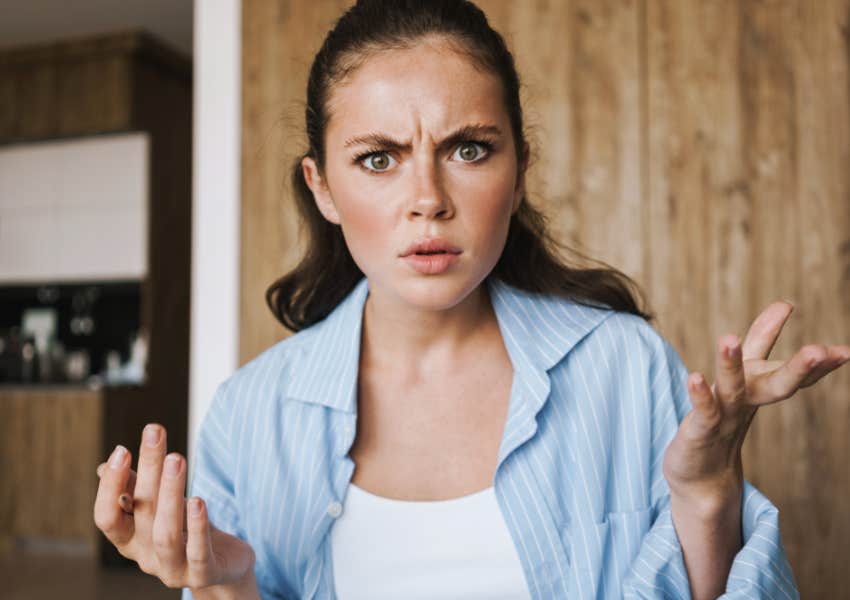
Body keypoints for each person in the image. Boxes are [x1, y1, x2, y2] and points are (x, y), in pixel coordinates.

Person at [93, 1, 850, 598]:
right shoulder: (248, 415)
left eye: (468, 149)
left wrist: (708, 493)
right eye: (378, 159)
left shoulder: (626, 364)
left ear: (519, 171)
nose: (427, 199)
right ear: (322, 187)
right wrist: (229, 586)